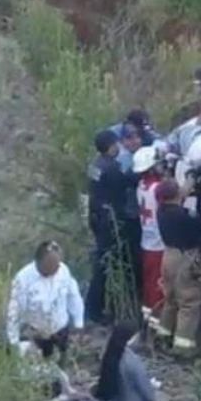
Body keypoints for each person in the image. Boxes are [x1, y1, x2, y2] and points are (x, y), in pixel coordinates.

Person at [86, 129, 141, 325]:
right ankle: (96, 310)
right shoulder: (112, 168)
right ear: (110, 147)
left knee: (102, 264)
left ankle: (97, 307)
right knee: (105, 265)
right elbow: (130, 181)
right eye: (116, 144)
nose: (118, 147)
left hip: (97, 218)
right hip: (111, 222)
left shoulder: (95, 165)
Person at [6, 240, 85, 363]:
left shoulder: (63, 271)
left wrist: (78, 323)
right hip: (36, 336)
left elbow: (73, 297)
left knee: (60, 370)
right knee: (38, 373)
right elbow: (14, 313)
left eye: (57, 264)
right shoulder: (23, 280)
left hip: (60, 332)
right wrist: (14, 343)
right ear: (39, 262)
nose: (56, 268)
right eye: (51, 265)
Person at [155, 179, 201, 354]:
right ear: (176, 194)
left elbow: (176, 206)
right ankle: (182, 347)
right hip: (184, 258)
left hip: (168, 256)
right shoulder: (185, 215)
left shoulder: (161, 211)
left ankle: (162, 336)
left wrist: (184, 191)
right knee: (189, 301)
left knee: (171, 299)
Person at [133, 145, 166, 320]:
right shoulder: (158, 188)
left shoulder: (141, 186)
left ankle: (148, 319)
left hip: (147, 242)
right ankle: (155, 322)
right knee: (158, 287)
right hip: (159, 244)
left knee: (149, 285)